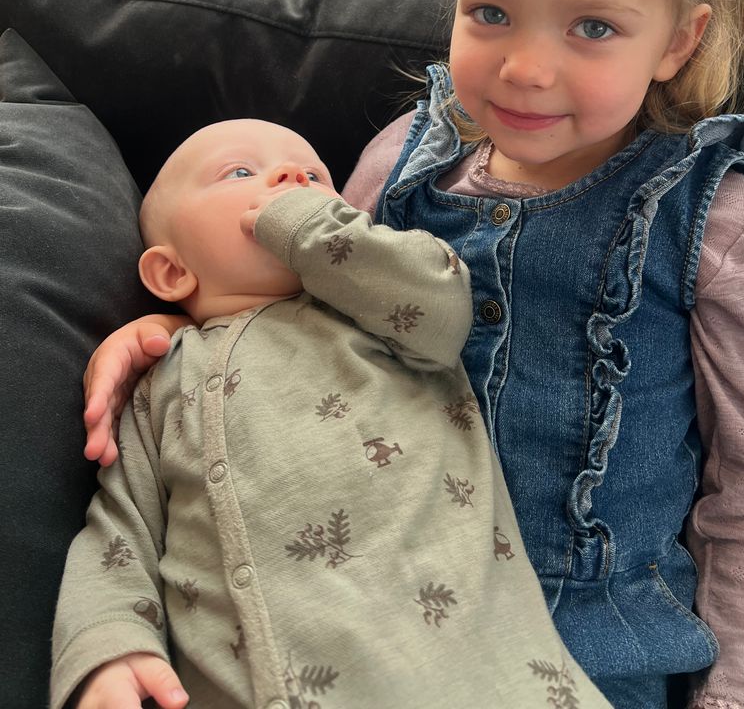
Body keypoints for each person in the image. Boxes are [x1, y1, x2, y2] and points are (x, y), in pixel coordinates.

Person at [82, 0, 744, 709]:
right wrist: (158, 329)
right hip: (381, 623)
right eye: (490, 11)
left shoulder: (719, 218)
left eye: (592, 27)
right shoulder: (398, 163)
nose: (525, 68)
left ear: (678, 40)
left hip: (595, 641)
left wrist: (740, 686)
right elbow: (290, 324)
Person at [54, 118, 612, 709]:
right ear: (171, 272)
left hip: (461, 668)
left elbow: (441, 297)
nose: (291, 177)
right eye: (239, 172)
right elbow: (121, 527)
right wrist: (110, 646)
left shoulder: (377, 315)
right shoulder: (158, 382)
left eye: (315, 176)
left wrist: (308, 224)